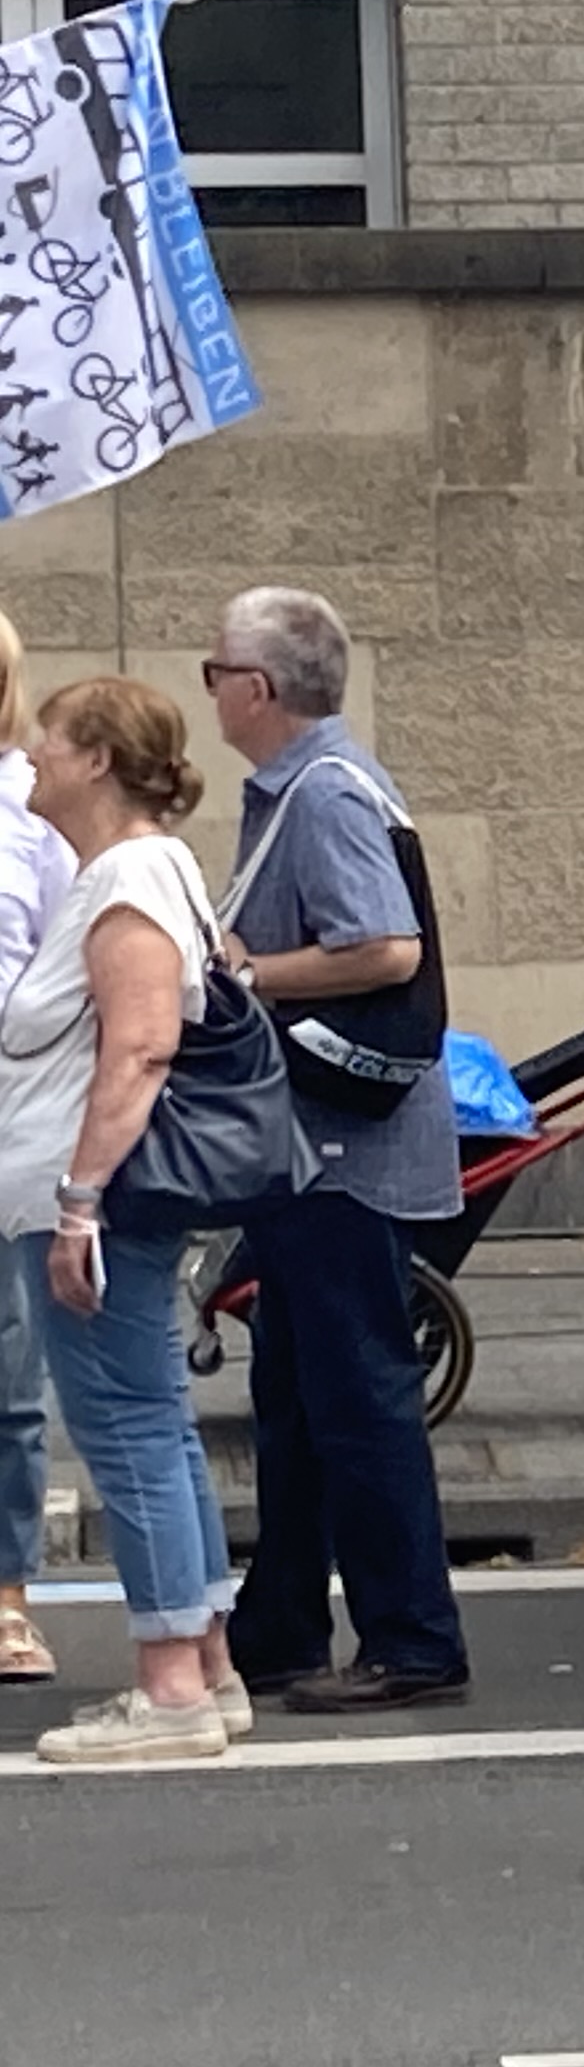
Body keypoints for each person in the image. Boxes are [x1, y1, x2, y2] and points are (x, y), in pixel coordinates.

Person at [207, 588, 470, 1715]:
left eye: (214, 668)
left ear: (257, 690)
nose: (208, 686)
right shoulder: (313, 787)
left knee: (357, 1392)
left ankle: (412, 1636)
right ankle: (280, 1627)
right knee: (300, 1392)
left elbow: (384, 947)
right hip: (313, 1143)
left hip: (338, 1146)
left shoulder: (321, 797)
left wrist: (248, 974)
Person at [0, 678, 247, 1762]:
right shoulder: (132, 872)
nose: (33, 759)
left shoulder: (131, 878)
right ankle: (207, 1664)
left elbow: (140, 1046)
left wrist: (77, 1203)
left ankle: (169, 1693)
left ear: (96, 759)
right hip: (98, 1195)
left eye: (49, 741)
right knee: (152, 1423)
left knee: (128, 1431)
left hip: (99, 1198)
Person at [0, 612, 85, 1692]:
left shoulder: (34, 817)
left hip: (6, 1113)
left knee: (7, 1376)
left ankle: (7, 1596)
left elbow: (70, 967)